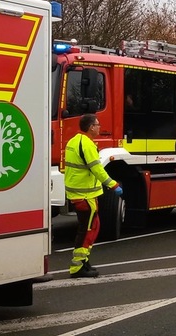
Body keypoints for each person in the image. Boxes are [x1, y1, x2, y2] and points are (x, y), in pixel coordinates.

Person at [65, 113, 123, 278]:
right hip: (85, 195)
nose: (99, 127)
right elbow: (97, 169)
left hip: (78, 193)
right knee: (87, 229)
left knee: (91, 227)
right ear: (90, 127)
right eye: (97, 125)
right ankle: (77, 267)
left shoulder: (74, 141)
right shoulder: (87, 145)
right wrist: (113, 185)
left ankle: (84, 261)